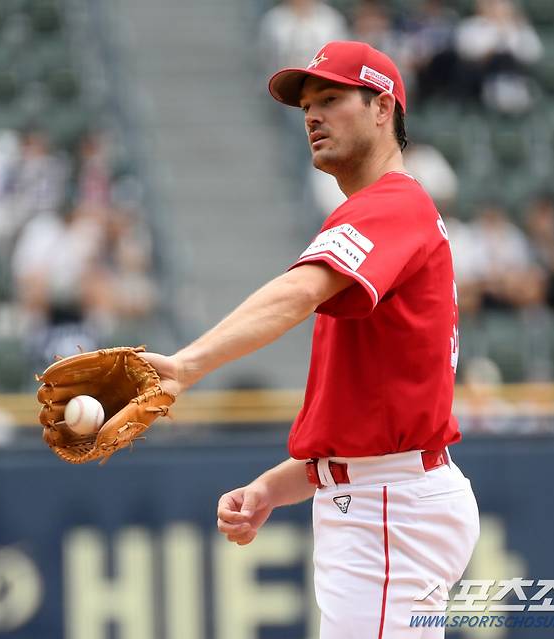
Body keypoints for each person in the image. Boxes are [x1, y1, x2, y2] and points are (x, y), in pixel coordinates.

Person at [144, 41, 479, 638]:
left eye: (330, 98)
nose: (312, 116)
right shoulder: (387, 213)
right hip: (383, 496)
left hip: (389, 508)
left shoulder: (392, 204)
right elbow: (367, 421)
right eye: (305, 107)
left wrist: (186, 365)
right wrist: (275, 486)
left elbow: (295, 294)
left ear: (382, 108)